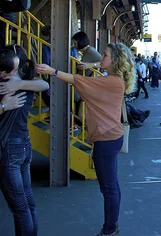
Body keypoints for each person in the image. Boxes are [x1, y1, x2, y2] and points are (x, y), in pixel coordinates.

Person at [36, 42, 136, 236]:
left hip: (105, 140)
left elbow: (75, 80)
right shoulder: (115, 80)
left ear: (114, 60)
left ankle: (110, 229)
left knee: (108, 188)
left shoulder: (110, 82)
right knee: (111, 185)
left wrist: (52, 71)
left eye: (105, 55)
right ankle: (112, 225)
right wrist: (95, 65)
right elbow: (98, 69)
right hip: (110, 137)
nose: (101, 58)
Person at [0, 45, 49, 236]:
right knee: (28, 204)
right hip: (23, 146)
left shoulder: (4, 84)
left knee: (19, 208)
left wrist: (3, 105)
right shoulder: (25, 82)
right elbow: (44, 85)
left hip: (7, 148)